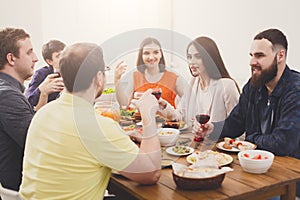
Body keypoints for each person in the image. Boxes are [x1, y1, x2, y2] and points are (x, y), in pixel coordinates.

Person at [20, 43, 161, 199]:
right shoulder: (98, 127)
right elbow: (152, 173)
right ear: (99, 77)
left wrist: (120, 138)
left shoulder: (43, 113)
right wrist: (148, 115)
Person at [193, 28, 300, 197]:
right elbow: (235, 123)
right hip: (255, 169)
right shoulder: (253, 86)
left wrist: (250, 139)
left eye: (259, 56)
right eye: (251, 55)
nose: (251, 61)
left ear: (280, 56)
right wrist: (213, 128)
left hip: (288, 177)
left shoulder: (295, 90)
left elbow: (283, 143)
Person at [159, 36, 240, 126]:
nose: (191, 62)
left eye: (197, 56)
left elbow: (236, 124)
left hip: (219, 140)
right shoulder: (192, 83)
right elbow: (179, 116)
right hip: (194, 139)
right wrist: (164, 105)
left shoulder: (227, 86)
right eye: (189, 57)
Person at [0, 27, 38, 191]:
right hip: (20, 189)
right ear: (11, 59)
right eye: (29, 52)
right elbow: (39, 144)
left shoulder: (8, 91)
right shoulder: (8, 97)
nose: (36, 58)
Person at [114, 37, 185, 108]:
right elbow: (124, 104)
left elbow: (189, 101)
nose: (151, 57)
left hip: (166, 119)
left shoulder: (173, 78)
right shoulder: (135, 76)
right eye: (146, 53)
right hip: (141, 119)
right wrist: (117, 79)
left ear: (161, 54)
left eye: (156, 52)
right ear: (141, 56)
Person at [26, 40, 65, 111]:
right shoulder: (41, 74)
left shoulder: (75, 71)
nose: (64, 58)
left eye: (65, 53)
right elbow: (29, 101)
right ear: (49, 61)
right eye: (58, 56)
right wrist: (42, 89)